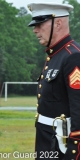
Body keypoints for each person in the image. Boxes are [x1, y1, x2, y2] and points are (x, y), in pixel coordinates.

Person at [27, 2, 80, 159]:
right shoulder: (55, 55)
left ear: (58, 23)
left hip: (62, 146)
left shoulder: (73, 56)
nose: (35, 30)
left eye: (40, 24)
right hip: (48, 140)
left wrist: (74, 150)